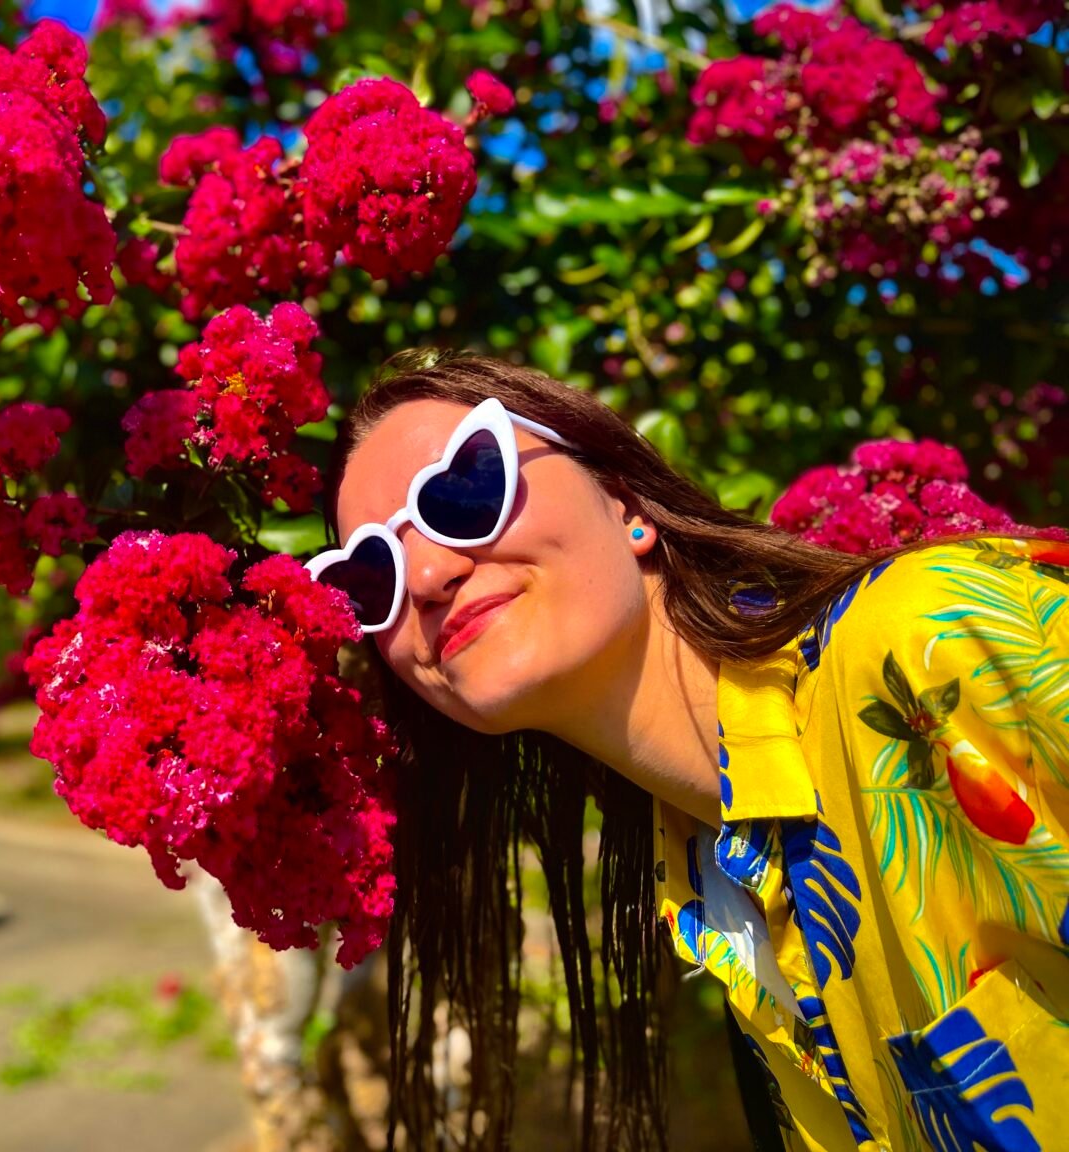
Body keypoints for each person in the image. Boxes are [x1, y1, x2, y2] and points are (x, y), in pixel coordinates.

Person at [309, 349, 1069, 1151]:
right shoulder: (709, 906)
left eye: (464, 489)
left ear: (624, 500)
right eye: (370, 577)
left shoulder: (931, 641)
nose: (426, 573)